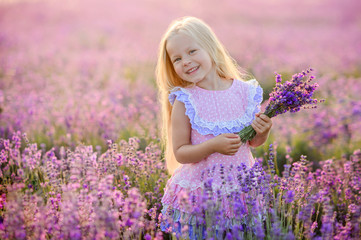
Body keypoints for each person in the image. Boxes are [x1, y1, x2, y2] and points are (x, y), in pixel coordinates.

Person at [155, 16, 272, 239]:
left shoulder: (245, 93)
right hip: (200, 193)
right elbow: (181, 152)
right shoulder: (186, 100)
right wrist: (212, 146)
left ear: (211, 48)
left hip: (240, 190)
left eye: (192, 51)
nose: (186, 61)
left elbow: (252, 143)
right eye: (177, 58)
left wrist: (263, 131)